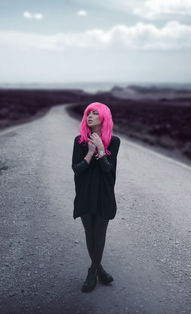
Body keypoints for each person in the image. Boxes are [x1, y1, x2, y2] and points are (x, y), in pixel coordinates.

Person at [71, 102, 120, 292]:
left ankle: (92, 272)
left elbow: (108, 170)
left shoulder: (113, 142)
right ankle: (98, 270)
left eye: (94, 113)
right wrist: (90, 153)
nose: (89, 116)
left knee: (99, 235)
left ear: (103, 117)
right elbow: (76, 169)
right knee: (89, 234)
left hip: (104, 195)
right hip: (84, 194)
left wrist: (101, 149)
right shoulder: (79, 141)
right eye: (87, 113)